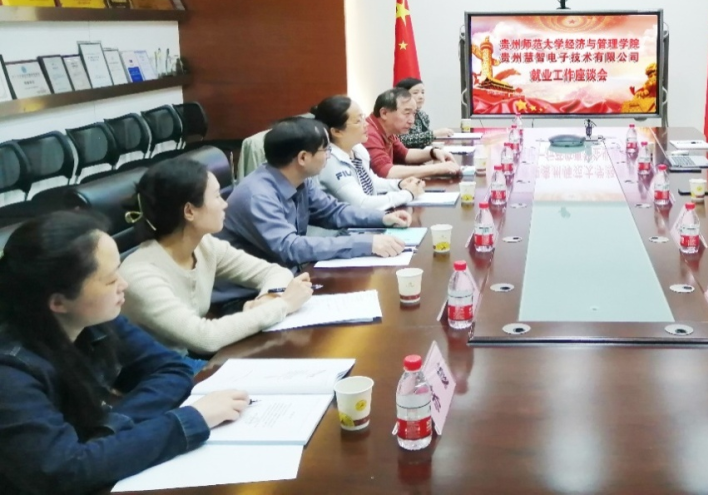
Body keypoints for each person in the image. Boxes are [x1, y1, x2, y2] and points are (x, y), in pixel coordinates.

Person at [0, 212, 251, 494]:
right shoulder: (10, 372)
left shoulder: (94, 317)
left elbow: (172, 369)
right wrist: (191, 420)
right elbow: (63, 471)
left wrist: (110, 429)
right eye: (110, 280)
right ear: (58, 302)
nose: (124, 284)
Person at [120, 159, 313, 361]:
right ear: (189, 211)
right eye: (216, 196)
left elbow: (275, 272)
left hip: (182, 361)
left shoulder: (205, 246)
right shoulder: (140, 275)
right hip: (155, 371)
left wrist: (268, 299)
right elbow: (205, 338)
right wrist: (283, 305)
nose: (225, 203)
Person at [216, 117, 410, 304]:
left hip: (287, 282)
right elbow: (291, 248)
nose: (329, 156)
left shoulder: (300, 180)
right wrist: (366, 243)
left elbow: (333, 212)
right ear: (303, 157)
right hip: (246, 297)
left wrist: (383, 218)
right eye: (325, 150)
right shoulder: (258, 196)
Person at [311, 95, 425, 210]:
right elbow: (362, 204)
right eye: (358, 121)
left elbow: (370, 182)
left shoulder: (357, 148)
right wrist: (408, 194)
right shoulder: (329, 160)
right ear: (337, 131)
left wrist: (399, 184)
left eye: (363, 117)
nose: (366, 124)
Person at [363, 87, 461, 179]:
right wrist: (437, 169)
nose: (412, 121)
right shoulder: (368, 133)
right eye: (407, 113)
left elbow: (405, 154)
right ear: (384, 113)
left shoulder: (388, 130)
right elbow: (387, 172)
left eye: (413, 113)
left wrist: (433, 153)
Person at [395, 78, 454, 149]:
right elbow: (401, 140)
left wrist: (438, 136)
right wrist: (434, 133)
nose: (421, 97)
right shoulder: (397, 115)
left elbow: (425, 138)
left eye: (422, 92)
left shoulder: (422, 115)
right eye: (415, 93)